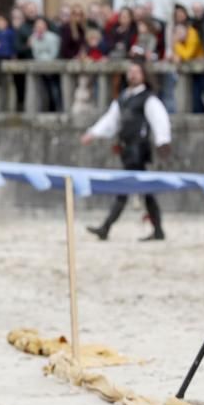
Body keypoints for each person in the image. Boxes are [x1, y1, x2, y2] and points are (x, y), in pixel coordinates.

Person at [80, 60, 171, 241]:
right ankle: (158, 230)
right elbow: (110, 120)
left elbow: (159, 119)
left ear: (143, 75)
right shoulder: (123, 98)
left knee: (126, 189)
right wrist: (93, 133)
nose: (133, 74)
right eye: (130, 71)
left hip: (139, 150)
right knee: (145, 191)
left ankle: (106, 227)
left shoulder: (148, 98)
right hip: (126, 149)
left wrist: (163, 141)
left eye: (136, 71)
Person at [29, 16, 62, 111]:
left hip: (53, 68)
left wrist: (43, 58)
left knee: (54, 89)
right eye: (37, 26)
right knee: (43, 90)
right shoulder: (33, 38)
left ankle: (58, 109)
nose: (39, 28)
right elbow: (35, 54)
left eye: (41, 26)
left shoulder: (53, 38)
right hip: (41, 69)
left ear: (45, 26)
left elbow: (53, 54)